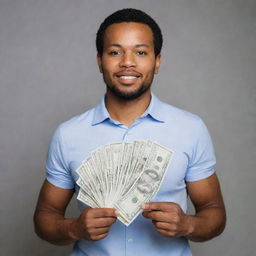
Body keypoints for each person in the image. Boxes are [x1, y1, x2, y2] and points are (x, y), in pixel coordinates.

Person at [34, 8, 226, 256]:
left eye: (141, 52)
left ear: (157, 61)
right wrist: (74, 228)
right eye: (115, 52)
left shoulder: (191, 129)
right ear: (99, 61)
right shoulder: (68, 135)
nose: (127, 62)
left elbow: (214, 211)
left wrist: (188, 224)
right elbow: (45, 216)